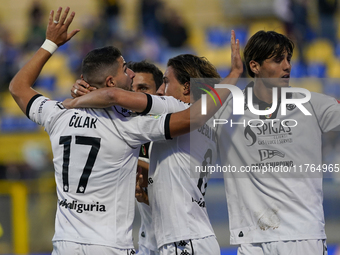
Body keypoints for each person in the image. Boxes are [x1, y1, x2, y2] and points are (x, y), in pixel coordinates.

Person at [9, 7, 229, 255]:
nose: (131, 73)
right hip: (110, 244)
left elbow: (17, 87)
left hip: (64, 242)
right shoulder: (131, 127)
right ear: (112, 83)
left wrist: (50, 44)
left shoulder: (57, 113)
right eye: (126, 70)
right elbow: (191, 118)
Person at [64, 30, 243, 254]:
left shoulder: (175, 108)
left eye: (166, 82)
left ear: (186, 87)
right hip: (197, 235)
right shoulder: (209, 125)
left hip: (182, 239)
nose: (161, 90)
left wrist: (75, 100)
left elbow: (114, 96)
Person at [214, 30, 340, 254]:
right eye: (277, 59)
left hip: (304, 237)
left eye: (288, 59)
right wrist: (234, 73)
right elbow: (192, 115)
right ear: (255, 66)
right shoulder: (228, 109)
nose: (287, 66)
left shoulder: (313, 104)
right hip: (252, 241)